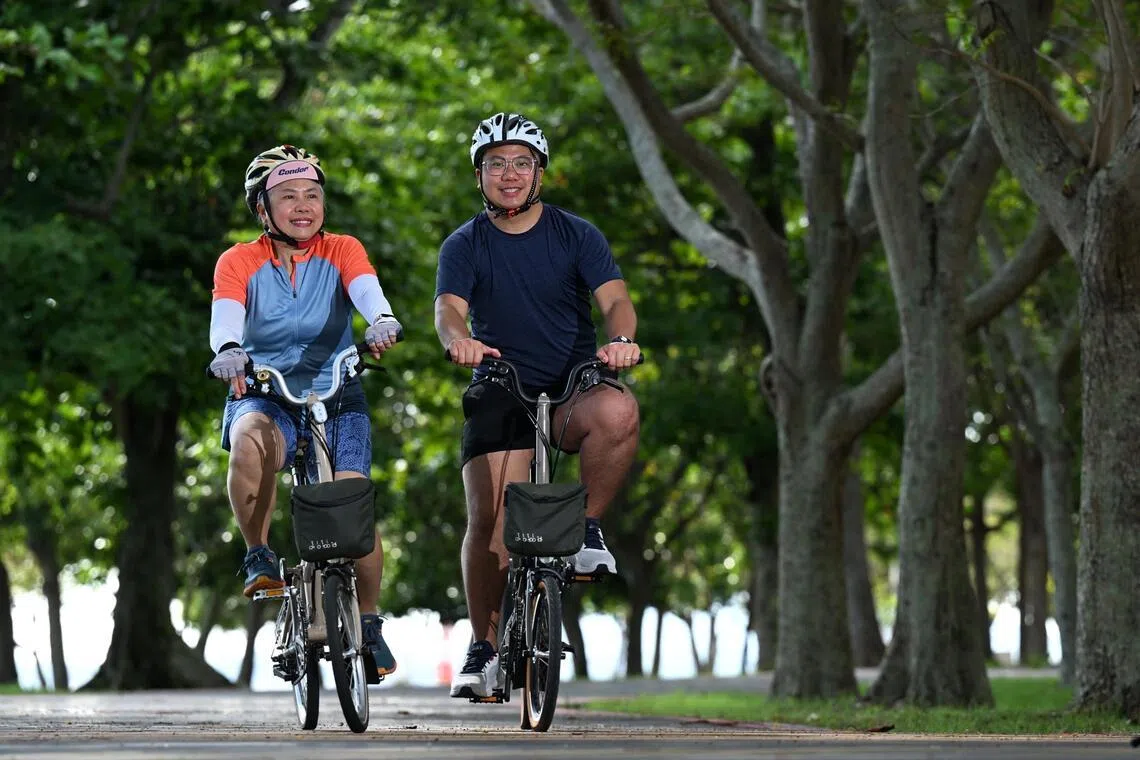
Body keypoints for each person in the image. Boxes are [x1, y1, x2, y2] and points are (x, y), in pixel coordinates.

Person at [434, 113, 642, 698]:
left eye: (521, 163)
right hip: (500, 384)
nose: (509, 174)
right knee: (492, 523)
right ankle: (485, 646)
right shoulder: (466, 243)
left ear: (539, 173)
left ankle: (588, 531)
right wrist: (459, 341)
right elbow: (449, 310)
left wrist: (621, 341)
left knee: (619, 411)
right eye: (496, 163)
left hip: (573, 383)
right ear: (480, 175)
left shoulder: (576, 234)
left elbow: (617, 301)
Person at [207, 144, 401, 679]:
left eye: (312, 194)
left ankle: (369, 622)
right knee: (249, 435)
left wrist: (381, 319)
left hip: (337, 392)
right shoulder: (239, 260)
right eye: (287, 195)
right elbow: (226, 316)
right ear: (262, 209)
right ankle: (259, 555)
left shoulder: (343, 249)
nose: (303, 205)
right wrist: (228, 350)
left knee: (352, 500)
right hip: (266, 390)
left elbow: (367, 291)